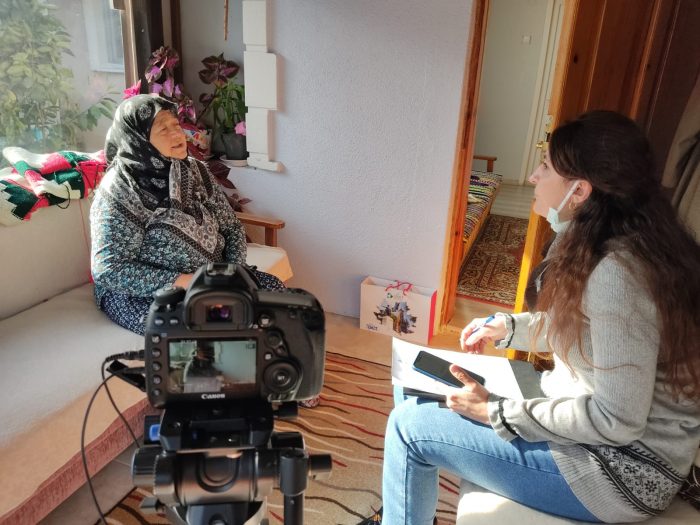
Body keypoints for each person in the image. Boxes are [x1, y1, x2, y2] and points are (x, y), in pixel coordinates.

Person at [373, 111, 700, 524]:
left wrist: (497, 412)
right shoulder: (598, 240)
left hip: (621, 471)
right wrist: (508, 328)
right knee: (414, 389)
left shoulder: (619, 274)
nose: (532, 176)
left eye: (545, 166)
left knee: (408, 427)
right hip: (583, 419)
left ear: (579, 191)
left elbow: (618, 421)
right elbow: (584, 329)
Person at [90, 94, 284, 335]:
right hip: (146, 293)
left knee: (275, 296)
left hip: (213, 277)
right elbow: (108, 269)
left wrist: (233, 273)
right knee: (208, 326)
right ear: (138, 138)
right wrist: (188, 281)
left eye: (176, 125)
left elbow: (231, 227)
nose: (177, 134)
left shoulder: (195, 170)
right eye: (163, 129)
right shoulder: (120, 189)